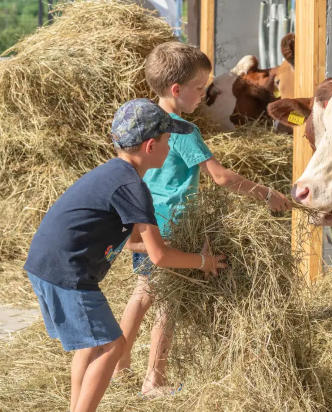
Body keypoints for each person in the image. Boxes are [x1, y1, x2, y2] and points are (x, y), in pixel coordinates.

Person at [24, 98, 226, 412]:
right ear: (150, 146)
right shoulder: (133, 187)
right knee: (113, 347)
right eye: (168, 140)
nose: (170, 146)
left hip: (50, 264)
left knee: (91, 347)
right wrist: (204, 262)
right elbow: (159, 257)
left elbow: (134, 244)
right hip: (67, 271)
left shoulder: (116, 175)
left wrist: (178, 249)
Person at [114, 41, 291, 396]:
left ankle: (119, 364)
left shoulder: (144, 120)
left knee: (142, 294)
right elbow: (221, 177)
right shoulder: (183, 131)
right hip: (176, 227)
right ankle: (154, 380)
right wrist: (269, 195)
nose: (204, 96)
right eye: (199, 89)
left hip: (146, 221)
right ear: (176, 90)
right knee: (169, 305)